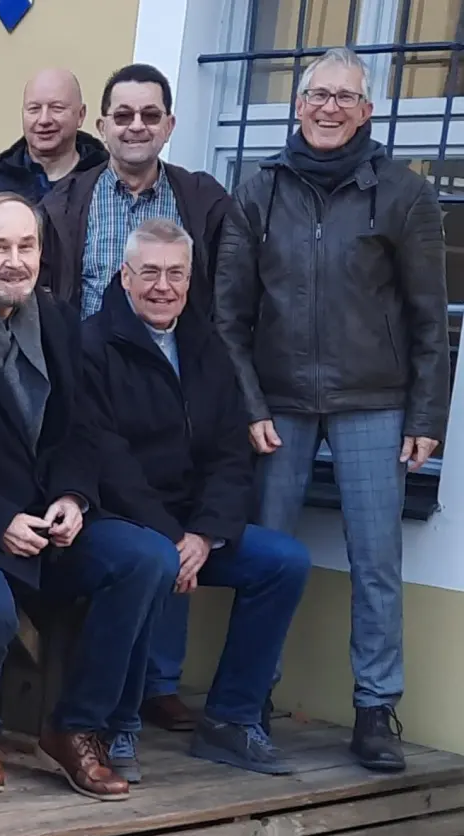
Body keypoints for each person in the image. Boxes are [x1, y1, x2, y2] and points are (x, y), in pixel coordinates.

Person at [214, 48, 450, 773]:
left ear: (367, 111)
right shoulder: (259, 192)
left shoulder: (404, 194)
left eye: (344, 97)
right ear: (297, 104)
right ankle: (251, 698)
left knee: (376, 560)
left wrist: (424, 418)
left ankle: (376, 709)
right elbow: (228, 315)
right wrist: (248, 402)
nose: (328, 107)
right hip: (278, 405)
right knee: (269, 556)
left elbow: (429, 320)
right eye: (317, 94)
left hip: (373, 402)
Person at [0, 191, 177, 800]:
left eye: (27, 246)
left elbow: (80, 428)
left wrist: (72, 496)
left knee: (150, 559)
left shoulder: (60, 319)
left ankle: (77, 726)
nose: (15, 260)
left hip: (53, 523)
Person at [83, 218, 309, 776]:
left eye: (176, 274)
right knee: (150, 560)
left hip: (194, 528)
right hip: (118, 521)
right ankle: (116, 726)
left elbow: (233, 454)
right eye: (151, 273)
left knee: (284, 562)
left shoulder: (206, 345)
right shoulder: (92, 343)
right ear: (125, 275)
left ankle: (231, 720)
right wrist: (171, 536)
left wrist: (206, 535)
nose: (164, 286)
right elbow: (108, 461)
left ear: (190, 279)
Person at [39, 64, 232, 321]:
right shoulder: (61, 204)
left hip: (175, 358)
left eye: (150, 115)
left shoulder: (204, 201)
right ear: (102, 127)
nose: (137, 126)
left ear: (169, 126)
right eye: (123, 116)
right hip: (87, 358)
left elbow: (230, 297)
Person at [0, 68, 107, 296]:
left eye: (57, 108)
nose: (44, 120)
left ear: (81, 115)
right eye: (34, 109)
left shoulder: (103, 187)